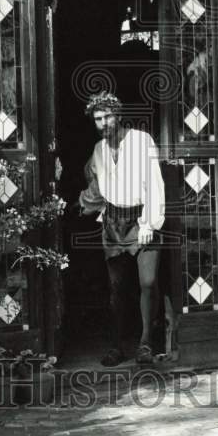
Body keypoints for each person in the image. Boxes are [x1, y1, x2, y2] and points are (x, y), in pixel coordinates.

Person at [79, 92, 165, 366]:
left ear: (118, 115)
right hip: (113, 224)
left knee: (148, 284)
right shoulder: (98, 150)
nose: (103, 123)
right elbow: (95, 181)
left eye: (107, 117)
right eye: (98, 119)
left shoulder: (142, 141)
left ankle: (145, 344)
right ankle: (117, 346)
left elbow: (155, 184)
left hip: (141, 219)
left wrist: (149, 222)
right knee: (117, 288)